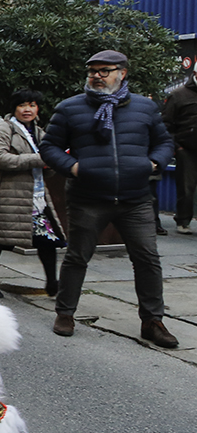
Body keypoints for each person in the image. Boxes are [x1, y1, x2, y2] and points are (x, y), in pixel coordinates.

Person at [40, 50, 178, 347]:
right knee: (77, 257)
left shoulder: (145, 107)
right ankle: (65, 313)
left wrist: (154, 163)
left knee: (147, 259)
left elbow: (165, 141)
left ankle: (153, 321)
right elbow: (49, 147)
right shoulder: (70, 108)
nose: (97, 77)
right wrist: (73, 167)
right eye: (92, 71)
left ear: (122, 73)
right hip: (88, 197)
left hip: (135, 198)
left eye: (104, 71)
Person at [0, 89, 66, 299]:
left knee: (47, 238)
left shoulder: (39, 132)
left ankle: (52, 282)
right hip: (6, 195)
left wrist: (51, 163)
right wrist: (38, 159)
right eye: (23, 105)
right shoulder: (3, 129)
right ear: (14, 108)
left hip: (36, 197)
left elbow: (48, 160)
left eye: (32, 105)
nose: (28, 110)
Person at [164, 72, 197, 234]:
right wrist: (177, 147)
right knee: (186, 188)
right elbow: (166, 124)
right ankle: (183, 221)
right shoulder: (178, 95)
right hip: (186, 148)